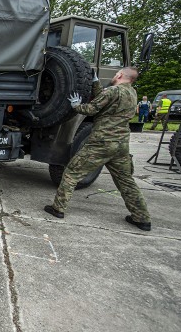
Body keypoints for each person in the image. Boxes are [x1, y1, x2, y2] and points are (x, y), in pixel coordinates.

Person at [44, 67, 152, 231]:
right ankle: (142, 218)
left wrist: (76, 106)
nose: (115, 75)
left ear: (120, 75)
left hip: (101, 143)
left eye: (117, 73)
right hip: (121, 145)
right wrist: (95, 83)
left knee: (71, 173)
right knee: (126, 182)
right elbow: (106, 98)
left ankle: (57, 208)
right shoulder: (132, 93)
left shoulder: (113, 91)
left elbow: (92, 108)